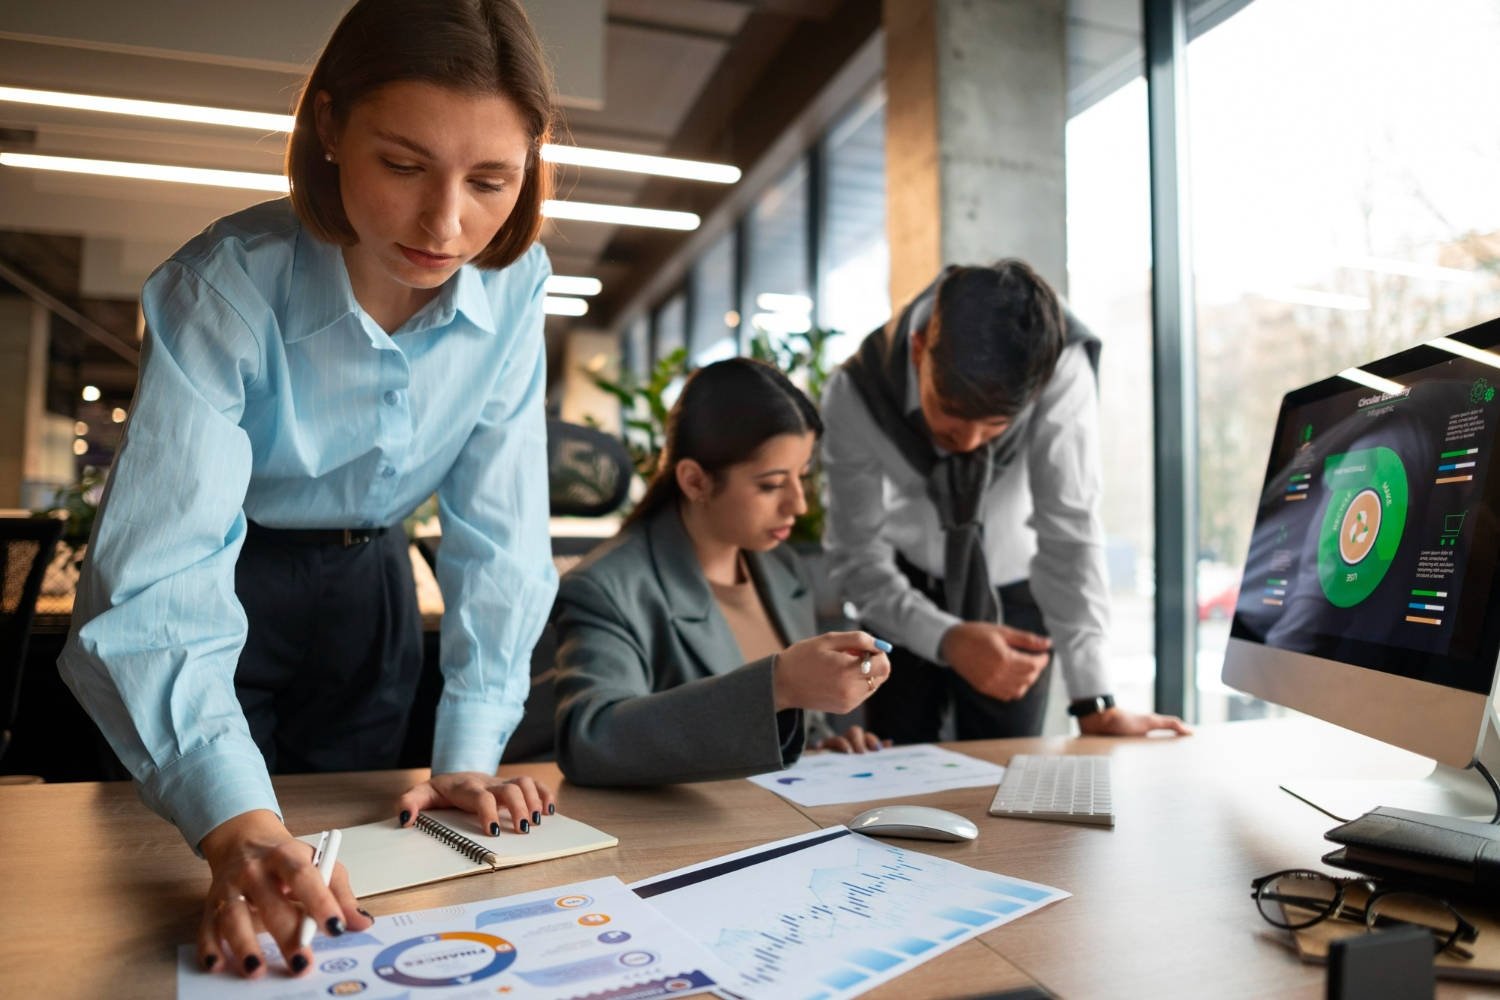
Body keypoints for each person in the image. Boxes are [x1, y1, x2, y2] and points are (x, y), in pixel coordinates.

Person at [58, 0, 561, 980]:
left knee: (356, 860)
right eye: (404, 165)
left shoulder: (516, 283)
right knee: (207, 844)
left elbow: (500, 530)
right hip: (229, 578)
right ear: (330, 126)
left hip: (372, 575)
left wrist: (465, 755)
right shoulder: (230, 284)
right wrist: (235, 826)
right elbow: (160, 578)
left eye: (492, 179)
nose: (446, 222)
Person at [821, 260, 1190, 742]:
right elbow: (856, 554)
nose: (970, 445)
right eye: (951, 420)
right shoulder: (855, 392)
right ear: (918, 352)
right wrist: (945, 637)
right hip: (901, 592)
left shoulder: (1059, 364)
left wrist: (1094, 700)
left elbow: (1070, 529)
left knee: (1007, 772)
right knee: (896, 768)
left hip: (1015, 595)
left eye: (994, 428)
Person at [552, 358, 892, 787]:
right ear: (695, 481)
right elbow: (590, 740)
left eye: (801, 477)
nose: (798, 505)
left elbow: (792, 728)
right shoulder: (606, 587)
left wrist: (821, 746)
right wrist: (776, 686)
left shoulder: (782, 568)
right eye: (771, 485)